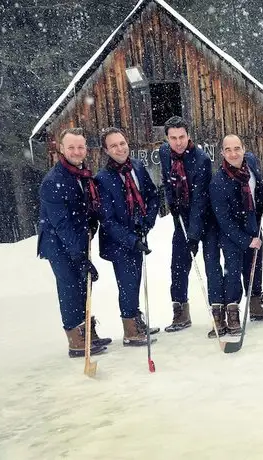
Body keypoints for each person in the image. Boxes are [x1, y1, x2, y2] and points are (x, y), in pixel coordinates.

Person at [37, 127, 110, 358]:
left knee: (83, 284)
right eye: (71, 147)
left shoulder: (81, 174)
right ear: (61, 148)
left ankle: (87, 333)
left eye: (80, 147)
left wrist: (91, 222)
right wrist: (79, 255)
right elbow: (61, 224)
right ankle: (76, 341)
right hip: (58, 243)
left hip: (77, 240)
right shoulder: (53, 180)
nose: (76, 151)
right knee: (69, 287)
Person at [95, 127, 160, 345]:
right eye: (113, 145)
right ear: (106, 150)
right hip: (119, 242)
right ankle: (130, 331)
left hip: (138, 235)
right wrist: (131, 240)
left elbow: (152, 196)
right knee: (128, 283)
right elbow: (108, 220)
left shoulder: (138, 168)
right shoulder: (102, 179)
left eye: (122, 143)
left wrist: (147, 223)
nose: (119, 148)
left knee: (135, 280)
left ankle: (136, 319)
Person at [158, 116, 221, 332]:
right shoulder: (164, 153)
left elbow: (199, 199)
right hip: (183, 217)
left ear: (188, 135)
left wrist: (193, 236)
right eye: (173, 138)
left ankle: (218, 311)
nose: (178, 142)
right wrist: (172, 204)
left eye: (182, 137)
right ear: (167, 138)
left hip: (207, 217)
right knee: (178, 265)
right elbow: (166, 181)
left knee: (211, 265)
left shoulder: (201, 159)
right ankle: (180, 311)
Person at [209, 135, 263, 338]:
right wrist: (245, 240)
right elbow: (223, 220)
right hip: (231, 235)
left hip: (253, 226)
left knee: (254, 268)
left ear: (244, 149)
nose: (233, 153)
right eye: (228, 150)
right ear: (222, 153)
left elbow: (258, 191)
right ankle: (232, 312)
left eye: (237, 148)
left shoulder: (250, 165)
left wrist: (262, 206)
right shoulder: (218, 181)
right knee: (233, 273)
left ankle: (256, 305)